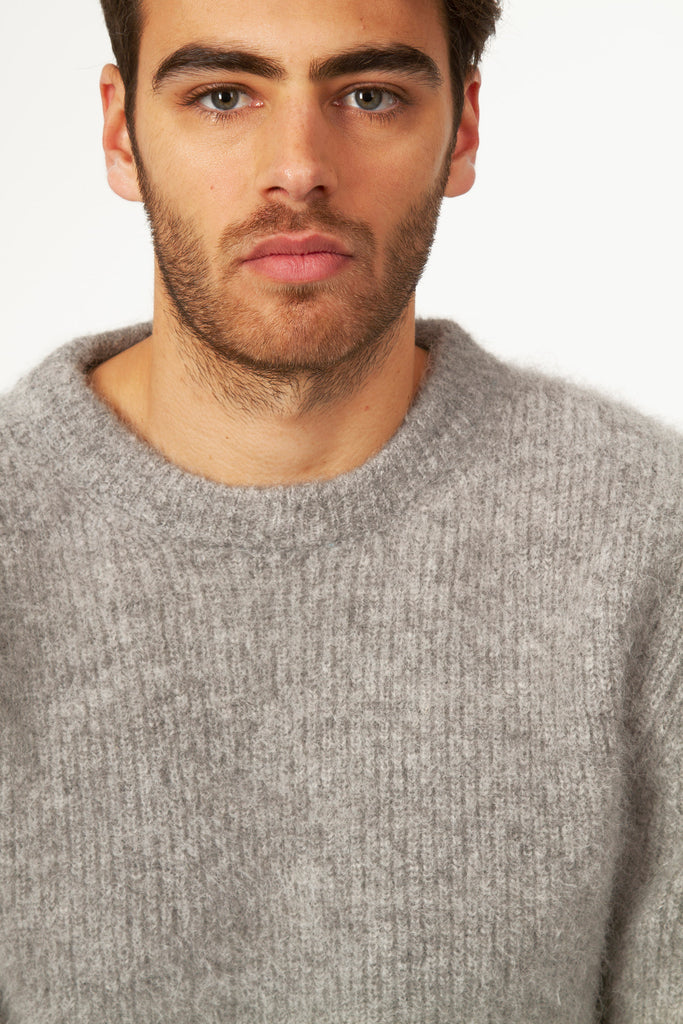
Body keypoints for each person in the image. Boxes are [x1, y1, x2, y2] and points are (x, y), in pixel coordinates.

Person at [0, 0, 680, 1020]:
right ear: (120, 136)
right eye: (223, 96)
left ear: (460, 131)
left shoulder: (647, 537)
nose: (297, 168)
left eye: (368, 95)